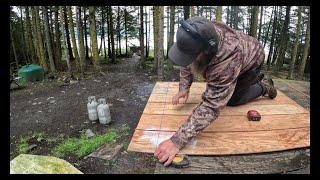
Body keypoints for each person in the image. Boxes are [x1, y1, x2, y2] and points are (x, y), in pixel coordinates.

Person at [154, 17, 277, 166]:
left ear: (206, 50)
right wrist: (184, 87)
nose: (189, 59)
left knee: (231, 100)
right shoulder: (198, 33)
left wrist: (177, 141)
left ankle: (264, 86)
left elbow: (212, 105)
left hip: (252, 59)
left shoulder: (227, 61)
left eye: (193, 55)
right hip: (237, 54)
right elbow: (187, 57)